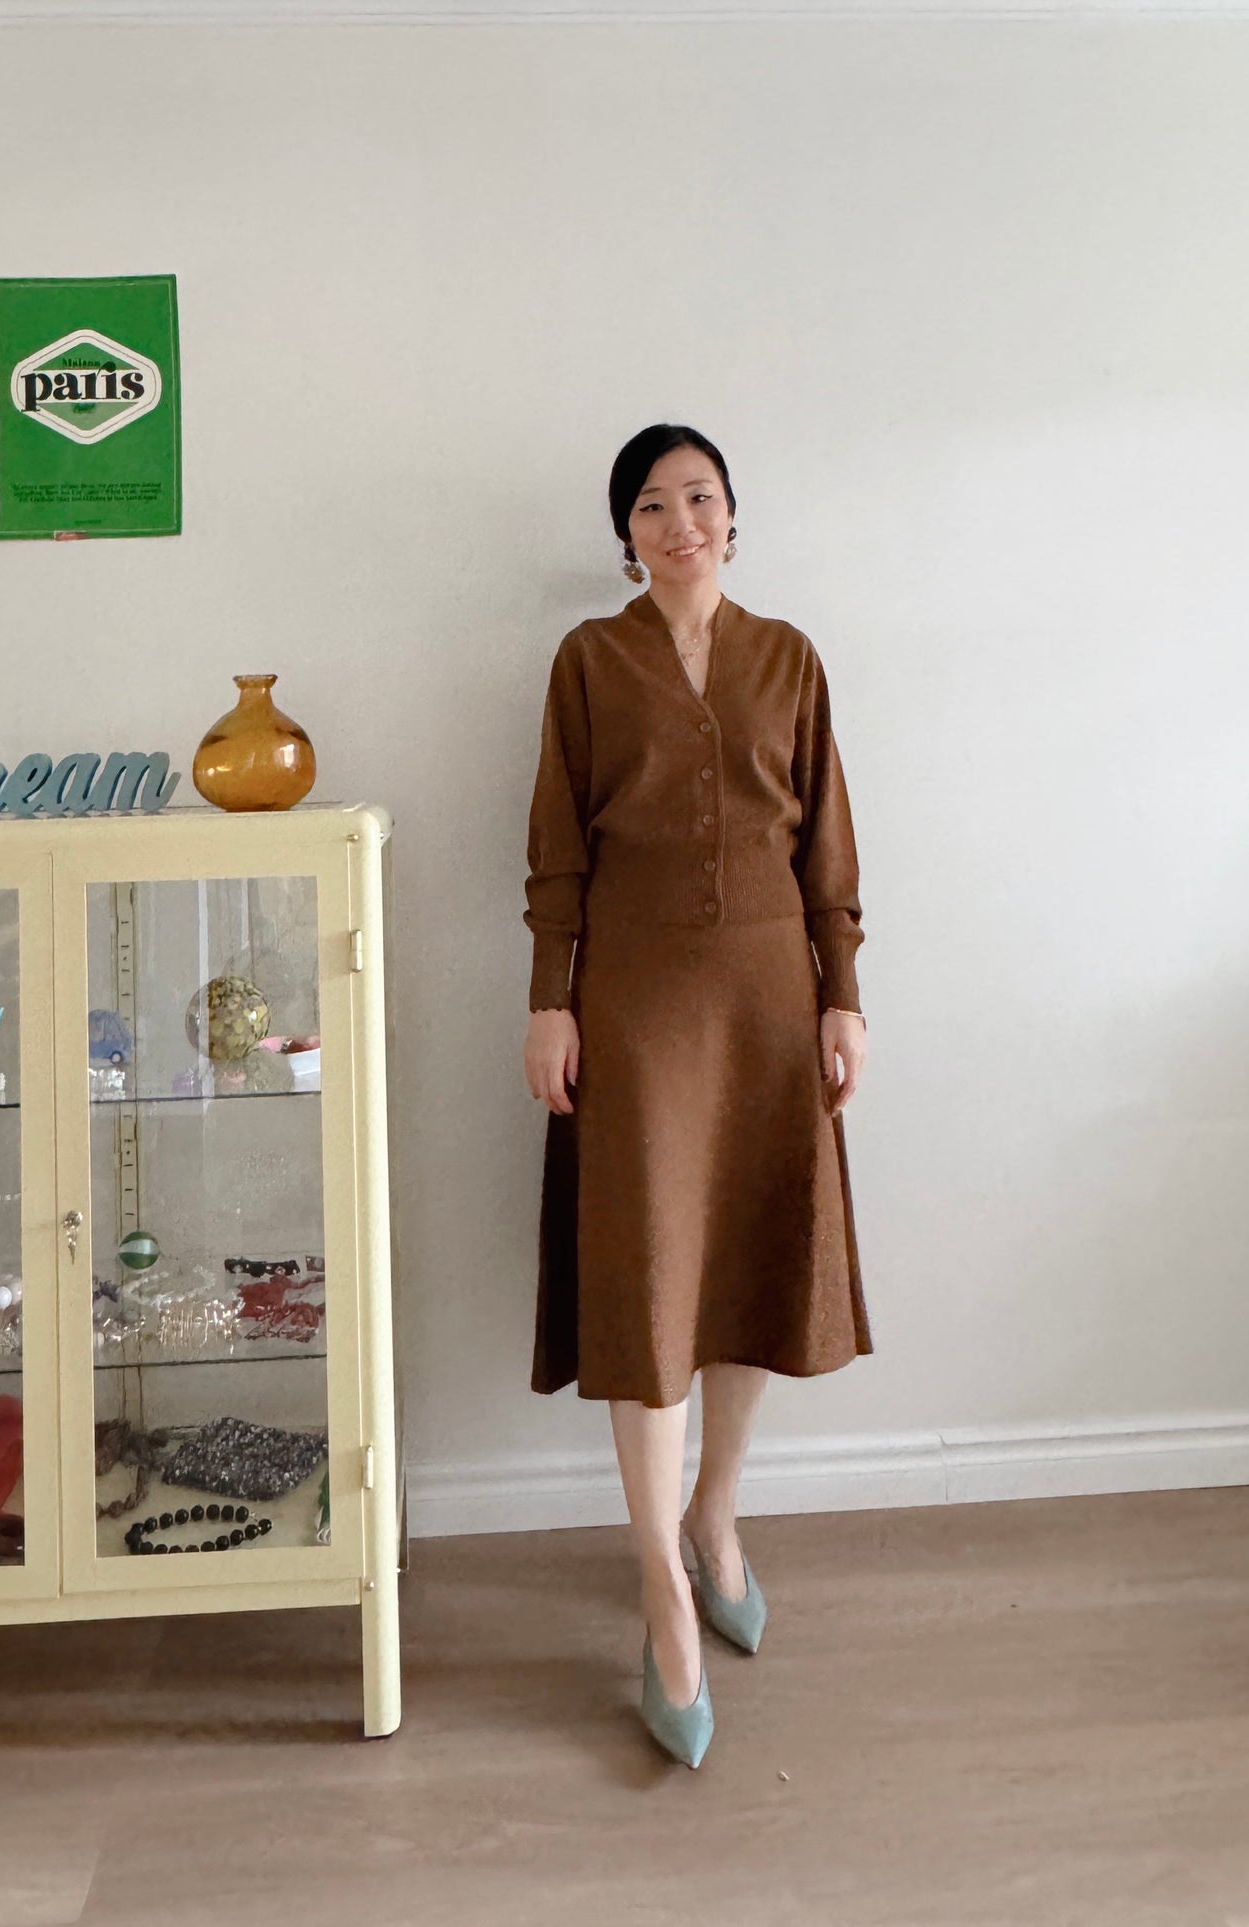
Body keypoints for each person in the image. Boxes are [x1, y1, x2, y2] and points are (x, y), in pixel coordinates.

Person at [521, 423, 872, 1768]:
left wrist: (841, 992)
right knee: (650, 1273)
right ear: (626, 534)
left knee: (747, 1261)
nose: (683, 523)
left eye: (702, 499)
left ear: (733, 518)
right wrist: (549, 998)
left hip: (772, 996)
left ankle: (714, 1517)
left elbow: (827, 837)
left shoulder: (789, 658)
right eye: (655, 506)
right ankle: (661, 1589)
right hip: (635, 1000)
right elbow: (557, 845)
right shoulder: (588, 661)